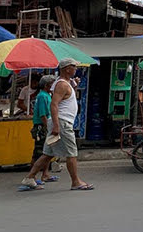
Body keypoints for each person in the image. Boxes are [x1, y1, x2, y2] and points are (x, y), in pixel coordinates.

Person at [21, 58, 93, 191]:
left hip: (62, 121)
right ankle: (75, 182)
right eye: (74, 67)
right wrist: (56, 125)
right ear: (67, 69)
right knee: (72, 153)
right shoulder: (61, 84)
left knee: (48, 154)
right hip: (62, 122)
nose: (76, 69)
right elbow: (54, 105)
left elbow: (66, 98)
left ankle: (29, 178)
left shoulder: (66, 83)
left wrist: (75, 85)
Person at [30, 75, 57, 183]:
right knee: (39, 152)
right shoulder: (42, 96)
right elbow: (43, 114)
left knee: (47, 151)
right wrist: (48, 127)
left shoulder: (47, 95)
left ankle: (45, 174)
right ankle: (33, 176)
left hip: (46, 125)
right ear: (47, 85)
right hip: (42, 126)